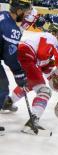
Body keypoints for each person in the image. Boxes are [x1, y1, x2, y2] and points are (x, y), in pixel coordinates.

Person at [2, 23, 58, 134]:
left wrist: (51, 74)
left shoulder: (41, 37)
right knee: (44, 90)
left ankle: (8, 102)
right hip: (26, 56)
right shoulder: (51, 37)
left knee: (30, 83)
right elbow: (41, 55)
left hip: (20, 55)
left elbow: (43, 66)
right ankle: (32, 123)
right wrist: (48, 62)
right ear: (53, 32)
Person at [0, 0, 32, 134]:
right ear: (18, 11)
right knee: (2, 88)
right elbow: (10, 58)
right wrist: (20, 74)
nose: (25, 16)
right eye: (25, 13)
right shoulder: (12, 29)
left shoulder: (2, 14)